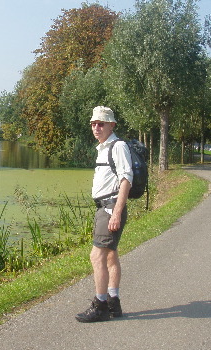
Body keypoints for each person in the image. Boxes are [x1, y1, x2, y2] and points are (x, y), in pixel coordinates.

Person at [76, 106, 133, 323]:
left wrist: (116, 213)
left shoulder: (117, 146)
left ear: (112, 125)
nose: (96, 127)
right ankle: (113, 303)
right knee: (110, 255)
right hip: (106, 207)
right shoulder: (103, 148)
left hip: (110, 208)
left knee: (96, 255)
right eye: (93, 124)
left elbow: (126, 179)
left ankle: (99, 306)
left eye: (101, 123)